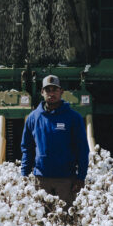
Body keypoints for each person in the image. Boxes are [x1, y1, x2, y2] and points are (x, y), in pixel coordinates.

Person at [21, 75, 89, 207]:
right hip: (41, 180)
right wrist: (24, 175)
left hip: (66, 181)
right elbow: (27, 148)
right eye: (47, 90)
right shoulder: (33, 118)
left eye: (55, 90)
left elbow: (82, 149)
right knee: (40, 221)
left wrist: (81, 177)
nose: (51, 93)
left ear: (61, 92)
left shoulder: (73, 118)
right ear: (42, 92)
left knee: (66, 221)